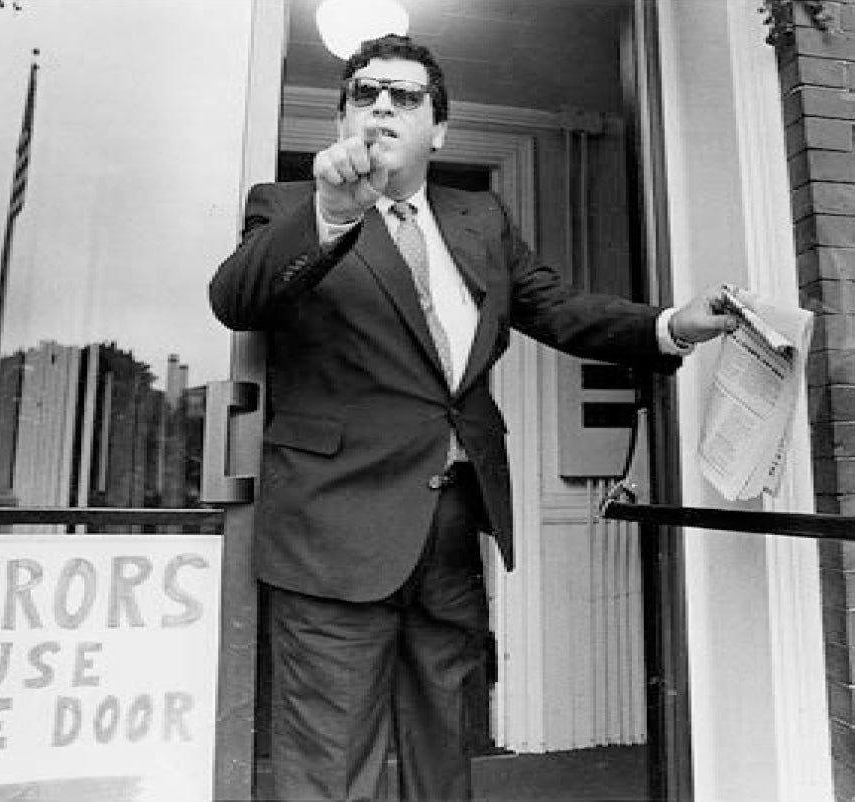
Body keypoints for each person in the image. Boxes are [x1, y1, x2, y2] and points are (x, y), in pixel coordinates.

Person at [209, 34, 735, 802]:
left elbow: (556, 308)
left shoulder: (478, 216)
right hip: (330, 529)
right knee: (328, 761)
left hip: (453, 525)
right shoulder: (288, 207)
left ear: (440, 129)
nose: (382, 104)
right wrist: (330, 212)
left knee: (445, 745)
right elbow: (237, 300)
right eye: (364, 92)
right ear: (340, 119)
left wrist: (670, 325)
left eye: (405, 95)